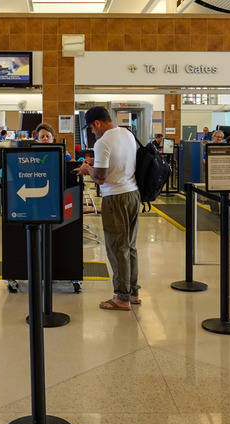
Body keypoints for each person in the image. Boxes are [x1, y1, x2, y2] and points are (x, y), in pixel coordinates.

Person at [75, 106, 140, 310]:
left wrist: (87, 169)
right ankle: (133, 292)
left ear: (97, 123)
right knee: (130, 245)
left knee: (117, 247)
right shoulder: (127, 134)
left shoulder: (102, 142)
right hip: (133, 194)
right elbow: (121, 161)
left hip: (115, 199)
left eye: (91, 128)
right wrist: (96, 161)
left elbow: (101, 178)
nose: (92, 132)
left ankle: (122, 297)